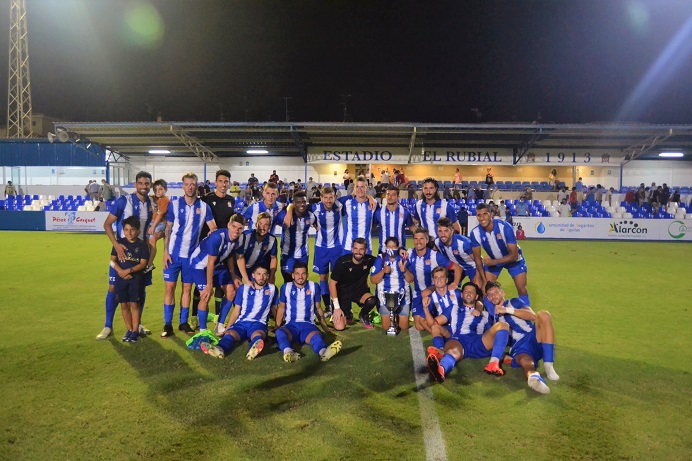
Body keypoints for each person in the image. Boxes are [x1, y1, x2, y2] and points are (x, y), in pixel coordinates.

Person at [96, 171, 154, 341]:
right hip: (122, 255)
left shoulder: (151, 204)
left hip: (141, 255)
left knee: (139, 290)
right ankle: (108, 326)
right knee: (113, 289)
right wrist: (117, 245)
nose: (144, 186)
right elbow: (107, 224)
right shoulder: (123, 201)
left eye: (147, 184)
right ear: (135, 184)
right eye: (141, 183)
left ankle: (137, 325)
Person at [424, 273, 510, 383]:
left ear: (476, 296)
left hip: (479, 342)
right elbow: (433, 324)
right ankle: (441, 368)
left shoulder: (485, 314)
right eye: (465, 291)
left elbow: (492, 333)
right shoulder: (454, 308)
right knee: (452, 350)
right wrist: (426, 309)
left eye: (472, 292)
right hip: (459, 340)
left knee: (503, 325)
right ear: (461, 295)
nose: (468, 294)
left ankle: (494, 363)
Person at [160, 173, 216, 338]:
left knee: (187, 289)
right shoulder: (174, 205)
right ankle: (167, 324)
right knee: (170, 288)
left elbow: (213, 228)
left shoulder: (204, 207)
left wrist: (212, 238)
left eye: (193, 184)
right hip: (172, 255)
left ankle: (183, 322)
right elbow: (168, 229)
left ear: (197, 186)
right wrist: (165, 253)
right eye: (187, 184)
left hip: (191, 257)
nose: (190, 187)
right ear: (183, 186)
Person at [484, 281, 559, 394]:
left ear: (502, 293)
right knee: (525, 362)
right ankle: (534, 379)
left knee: (544, 315)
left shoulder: (514, 302)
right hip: (519, 347)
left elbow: (532, 315)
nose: (493, 296)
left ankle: (549, 366)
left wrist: (506, 310)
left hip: (533, 336)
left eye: (496, 292)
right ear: (488, 299)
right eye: (490, 294)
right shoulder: (493, 319)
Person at [199, 265, 277, 360]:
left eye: (264, 274)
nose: (261, 277)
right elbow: (236, 311)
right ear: (253, 275)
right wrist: (227, 329)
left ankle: (254, 349)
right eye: (259, 274)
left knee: (258, 335)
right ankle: (219, 349)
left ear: (268, 276)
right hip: (242, 322)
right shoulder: (244, 288)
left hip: (259, 323)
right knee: (230, 334)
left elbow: (275, 308)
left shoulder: (272, 289)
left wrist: (278, 325)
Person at [189, 214, 246, 335]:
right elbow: (210, 263)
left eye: (240, 228)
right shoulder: (217, 237)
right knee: (206, 294)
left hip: (216, 264)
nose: (237, 230)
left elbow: (231, 255)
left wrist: (233, 275)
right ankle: (203, 331)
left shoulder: (241, 238)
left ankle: (219, 325)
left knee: (231, 292)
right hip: (199, 265)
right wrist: (209, 285)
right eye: (234, 226)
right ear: (228, 226)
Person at [275, 262, 342, 362]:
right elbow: (281, 308)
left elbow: (318, 308)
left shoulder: (314, 286)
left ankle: (324, 353)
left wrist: (324, 327)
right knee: (280, 333)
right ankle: (288, 352)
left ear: (307, 274)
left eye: (303, 273)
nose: (300, 277)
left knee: (316, 337)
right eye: (297, 274)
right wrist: (277, 325)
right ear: (293, 275)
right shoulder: (286, 287)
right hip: (291, 325)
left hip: (308, 325)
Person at [470, 203, 530, 306]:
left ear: (491, 214)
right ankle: (493, 317)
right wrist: (484, 281)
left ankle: (526, 317)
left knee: (522, 288)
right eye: (479, 215)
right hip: (494, 261)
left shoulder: (504, 227)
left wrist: (493, 262)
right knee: (487, 290)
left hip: (513, 261)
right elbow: (477, 260)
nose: (482, 218)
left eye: (485, 214)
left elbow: (514, 256)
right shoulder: (475, 233)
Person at [404, 227, 462, 332]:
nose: (418, 241)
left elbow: (456, 267)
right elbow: (410, 279)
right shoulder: (409, 253)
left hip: (434, 290)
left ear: (426, 241)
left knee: (425, 294)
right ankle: (437, 328)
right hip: (418, 292)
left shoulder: (435, 256)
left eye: (421, 239)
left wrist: (455, 283)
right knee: (419, 326)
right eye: (416, 239)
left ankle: (441, 320)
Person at [110, 216, 149, 342]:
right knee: (124, 305)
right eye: (126, 230)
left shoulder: (142, 245)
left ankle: (135, 331)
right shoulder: (119, 243)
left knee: (134, 304)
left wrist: (129, 271)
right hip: (121, 278)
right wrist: (121, 271)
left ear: (137, 231)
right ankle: (129, 329)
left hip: (135, 279)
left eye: (132, 230)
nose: (129, 233)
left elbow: (143, 264)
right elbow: (112, 261)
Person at [329, 238, 379, 329]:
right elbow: (332, 284)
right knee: (340, 327)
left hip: (359, 292)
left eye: (361, 249)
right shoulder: (342, 262)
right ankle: (347, 314)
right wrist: (336, 307)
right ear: (352, 249)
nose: (358, 252)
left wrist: (399, 251)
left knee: (372, 300)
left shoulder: (369, 260)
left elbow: (383, 259)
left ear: (366, 250)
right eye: (356, 248)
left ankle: (363, 315)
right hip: (342, 295)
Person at [306, 186, 342, 311]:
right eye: (325, 198)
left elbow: (359, 197)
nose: (328, 200)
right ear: (321, 198)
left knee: (337, 278)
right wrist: (289, 211)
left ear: (335, 197)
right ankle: (327, 306)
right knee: (323, 277)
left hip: (336, 248)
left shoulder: (340, 205)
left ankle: (337, 304)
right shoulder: (314, 207)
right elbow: (296, 206)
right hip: (321, 248)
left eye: (331, 197)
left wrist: (370, 197)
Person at [369, 237, 411, 333]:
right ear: (385, 247)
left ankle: (397, 314)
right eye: (389, 246)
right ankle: (393, 315)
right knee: (386, 327)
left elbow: (411, 279)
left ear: (398, 247)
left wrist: (404, 271)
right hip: (385, 296)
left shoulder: (404, 259)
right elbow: (373, 280)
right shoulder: (381, 258)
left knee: (404, 327)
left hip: (402, 295)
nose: (391, 249)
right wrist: (383, 271)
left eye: (393, 246)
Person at [276, 192, 316, 282]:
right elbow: (276, 223)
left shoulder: (311, 216)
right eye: (298, 202)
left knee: (301, 282)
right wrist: (289, 210)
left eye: (303, 202)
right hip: (287, 254)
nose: (301, 204)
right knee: (288, 282)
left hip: (303, 255)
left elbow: (316, 224)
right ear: (294, 203)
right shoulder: (283, 215)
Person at [435, 217, 483, 289]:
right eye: (440, 231)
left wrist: (478, 277)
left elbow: (479, 260)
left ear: (452, 231)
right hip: (455, 268)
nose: (443, 235)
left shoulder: (464, 243)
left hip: (472, 267)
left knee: (477, 287)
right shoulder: (437, 242)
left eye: (446, 231)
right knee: (445, 287)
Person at [412, 177, 460, 243]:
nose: (428, 192)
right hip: (427, 246)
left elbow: (457, 228)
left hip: (442, 247)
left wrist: (451, 244)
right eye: (425, 188)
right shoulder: (418, 205)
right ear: (422, 189)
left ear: (435, 189)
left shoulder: (445, 205)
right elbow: (414, 222)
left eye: (431, 188)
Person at [236, 212, 278, 286]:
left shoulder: (272, 240)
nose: (263, 227)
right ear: (256, 224)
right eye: (260, 224)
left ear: (269, 227)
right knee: (233, 291)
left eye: (266, 225)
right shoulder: (246, 236)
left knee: (259, 288)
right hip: (238, 266)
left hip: (254, 267)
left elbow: (273, 258)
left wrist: (271, 276)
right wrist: (247, 280)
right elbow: (239, 258)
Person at [338, 176, 376, 254]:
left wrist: (370, 197)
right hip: (348, 247)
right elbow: (333, 203)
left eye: (362, 187)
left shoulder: (374, 204)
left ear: (367, 188)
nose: (360, 189)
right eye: (357, 187)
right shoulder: (347, 202)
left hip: (366, 248)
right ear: (354, 188)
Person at [373, 185, 414, 254]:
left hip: (400, 251)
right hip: (383, 251)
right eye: (388, 194)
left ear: (398, 197)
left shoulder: (405, 212)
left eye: (393, 195)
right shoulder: (378, 212)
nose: (390, 197)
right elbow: (372, 227)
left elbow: (412, 228)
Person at [146, 179, 170, 273]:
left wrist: (152, 227)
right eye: (155, 189)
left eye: (160, 189)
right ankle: (147, 261)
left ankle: (150, 263)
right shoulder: (154, 198)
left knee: (152, 240)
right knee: (147, 241)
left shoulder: (165, 200)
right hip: (152, 222)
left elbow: (160, 215)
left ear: (165, 189)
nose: (157, 191)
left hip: (160, 223)